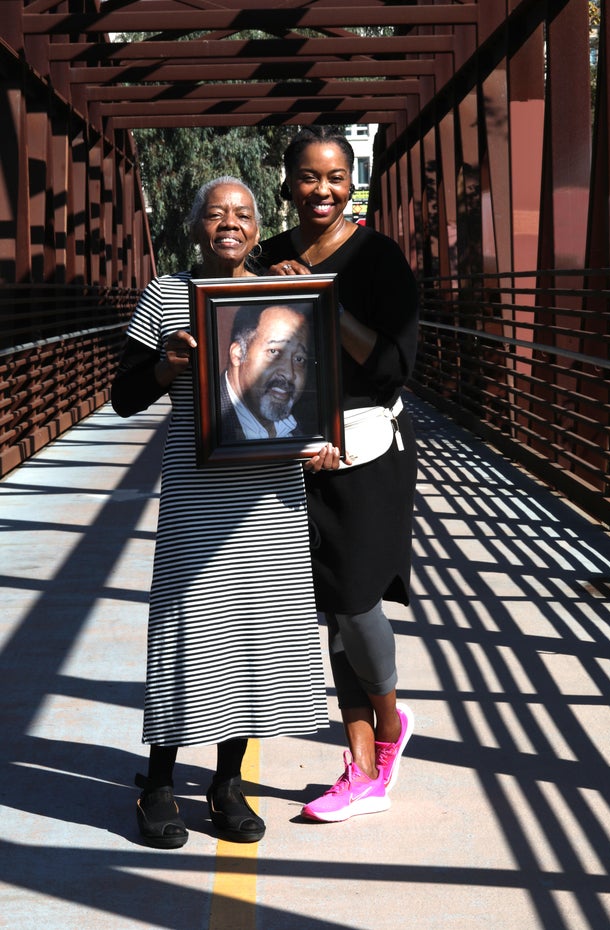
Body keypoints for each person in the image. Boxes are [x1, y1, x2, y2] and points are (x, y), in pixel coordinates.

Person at [111, 176, 341, 847]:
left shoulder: (282, 289)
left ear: (258, 222)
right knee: (186, 637)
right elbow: (123, 397)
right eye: (216, 214)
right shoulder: (165, 296)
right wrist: (163, 366)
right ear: (196, 227)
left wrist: (323, 441)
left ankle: (225, 785)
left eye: (242, 213)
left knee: (251, 640)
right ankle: (157, 783)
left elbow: (318, 382)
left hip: (269, 501)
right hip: (196, 499)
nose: (230, 223)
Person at [261, 127, 419, 823]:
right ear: (287, 183)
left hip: (361, 449)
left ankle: (388, 726)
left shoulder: (379, 258)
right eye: (306, 176)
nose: (320, 189)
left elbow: (392, 365)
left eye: (334, 177)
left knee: (356, 602)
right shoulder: (270, 256)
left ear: (352, 182)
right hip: (291, 450)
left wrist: (324, 300)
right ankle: (359, 768)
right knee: (329, 611)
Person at [221, 302, 312, 441]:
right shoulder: (203, 422)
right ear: (238, 354)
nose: (289, 374)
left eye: (299, 359)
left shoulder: (306, 430)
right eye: (274, 351)